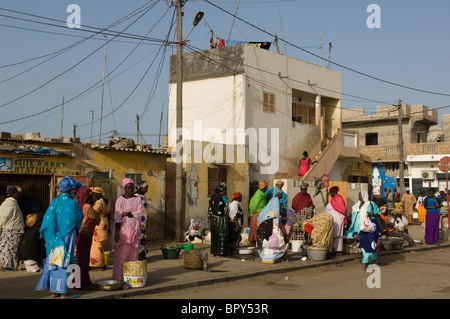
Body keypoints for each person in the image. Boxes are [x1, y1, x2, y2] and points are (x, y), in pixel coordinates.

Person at [36, 176, 84, 298]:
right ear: (70, 190)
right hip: (67, 236)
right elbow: (79, 217)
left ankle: (54, 291)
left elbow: (46, 221)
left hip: (54, 237)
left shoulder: (54, 202)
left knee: (54, 261)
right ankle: (63, 292)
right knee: (65, 261)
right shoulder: (72, 203)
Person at [112, 178, 144, 282]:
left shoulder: (138, 199)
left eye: (132, 187)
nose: (130, 189)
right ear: (124, 188)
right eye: (128, 187)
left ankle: (130, 278)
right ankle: (118, 278)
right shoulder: (120, 199)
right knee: (121, 256)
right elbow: (118, 216)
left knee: (133, 256)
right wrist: (117, 232)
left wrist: (129, 213)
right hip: (123, 232)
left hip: (135, 231)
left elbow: (140, 212)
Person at [75, 186, 100, 290]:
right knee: (84, 260)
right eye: (89, 195)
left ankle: (81, 281)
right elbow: (97, 219)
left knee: (80, 259)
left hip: (77, 234)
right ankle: (81, 282)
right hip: (86, 234)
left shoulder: (76, 206)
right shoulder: (88, 207)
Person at [0, 186, 25, 271]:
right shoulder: (9, 204)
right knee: (11, 249)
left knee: (10, 248)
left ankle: (9, 265)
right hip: (11, 230)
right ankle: (8, 265)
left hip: (12, 230)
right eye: (17, 193)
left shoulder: (12, 203)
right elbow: (4, 217)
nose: (18, 195)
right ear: (13, 194)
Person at [256, 199, 288, 263]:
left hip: (263, 245)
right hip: (274, 245)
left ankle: (263, 257)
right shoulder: (277, 221)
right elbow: (284, 232)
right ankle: (283, 259)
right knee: (286, 242)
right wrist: (285, 237)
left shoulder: (263, 222)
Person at [89, 187, 110, 270]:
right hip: (105, 222)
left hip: (99, 223)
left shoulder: (99, 202)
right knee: (99, 245)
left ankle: (97, 264)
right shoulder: (106, 201)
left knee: (96, 244)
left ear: (98, 194)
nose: (93, 195)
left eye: (94, 193)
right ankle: (102, 263)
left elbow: (94, 213)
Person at [358, 196, 381, 269]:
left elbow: (378, 213)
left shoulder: (372, 203)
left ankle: (370, 260)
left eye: (360, 195)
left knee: (371, 242)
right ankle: (367, 260)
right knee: (364, 242)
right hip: (363, 226)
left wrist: (372, 215)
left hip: (371, 225)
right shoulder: (359, 204)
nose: (359, 197)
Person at [208, 182, 229, 257]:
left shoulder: (212, 197)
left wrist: (210, 213)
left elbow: (210, 208)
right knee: (221, 236)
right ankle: (220, 252)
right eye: (225, 191)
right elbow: (223, 210)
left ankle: (214, 252)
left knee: (214, 236)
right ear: (221, 191)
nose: (225, 192)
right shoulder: (219, 198)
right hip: (220, 220)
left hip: (213, 220)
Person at [326, 186, 347, 255]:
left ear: (333, 192)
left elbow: (343, 209)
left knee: (338, 235)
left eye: (330, 193)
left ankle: (339, 250)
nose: (330, 194)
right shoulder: (334, 199)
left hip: (338, 219)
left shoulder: (339, 198)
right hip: (333, 219)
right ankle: (333, 249)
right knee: (333, 234)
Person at [248, 181, 268, 246]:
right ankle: (257, 244)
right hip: (258, 214)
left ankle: (256, 244)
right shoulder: (259, 195)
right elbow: (254, 205)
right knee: (258, 230)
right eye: (266, 187)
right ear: (263, 188)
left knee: (255, 229)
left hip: (256, 214)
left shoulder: (260, 194)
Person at [134, 181, 150, 260]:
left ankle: (142, 253)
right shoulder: (136, 197)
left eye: (147, 187)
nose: (146, 189)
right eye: (145, 187)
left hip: (144, 222)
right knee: (138, 238)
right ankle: (139, 254)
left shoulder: (142, 196)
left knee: (142, 237)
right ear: (140, 188)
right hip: (139, 222)